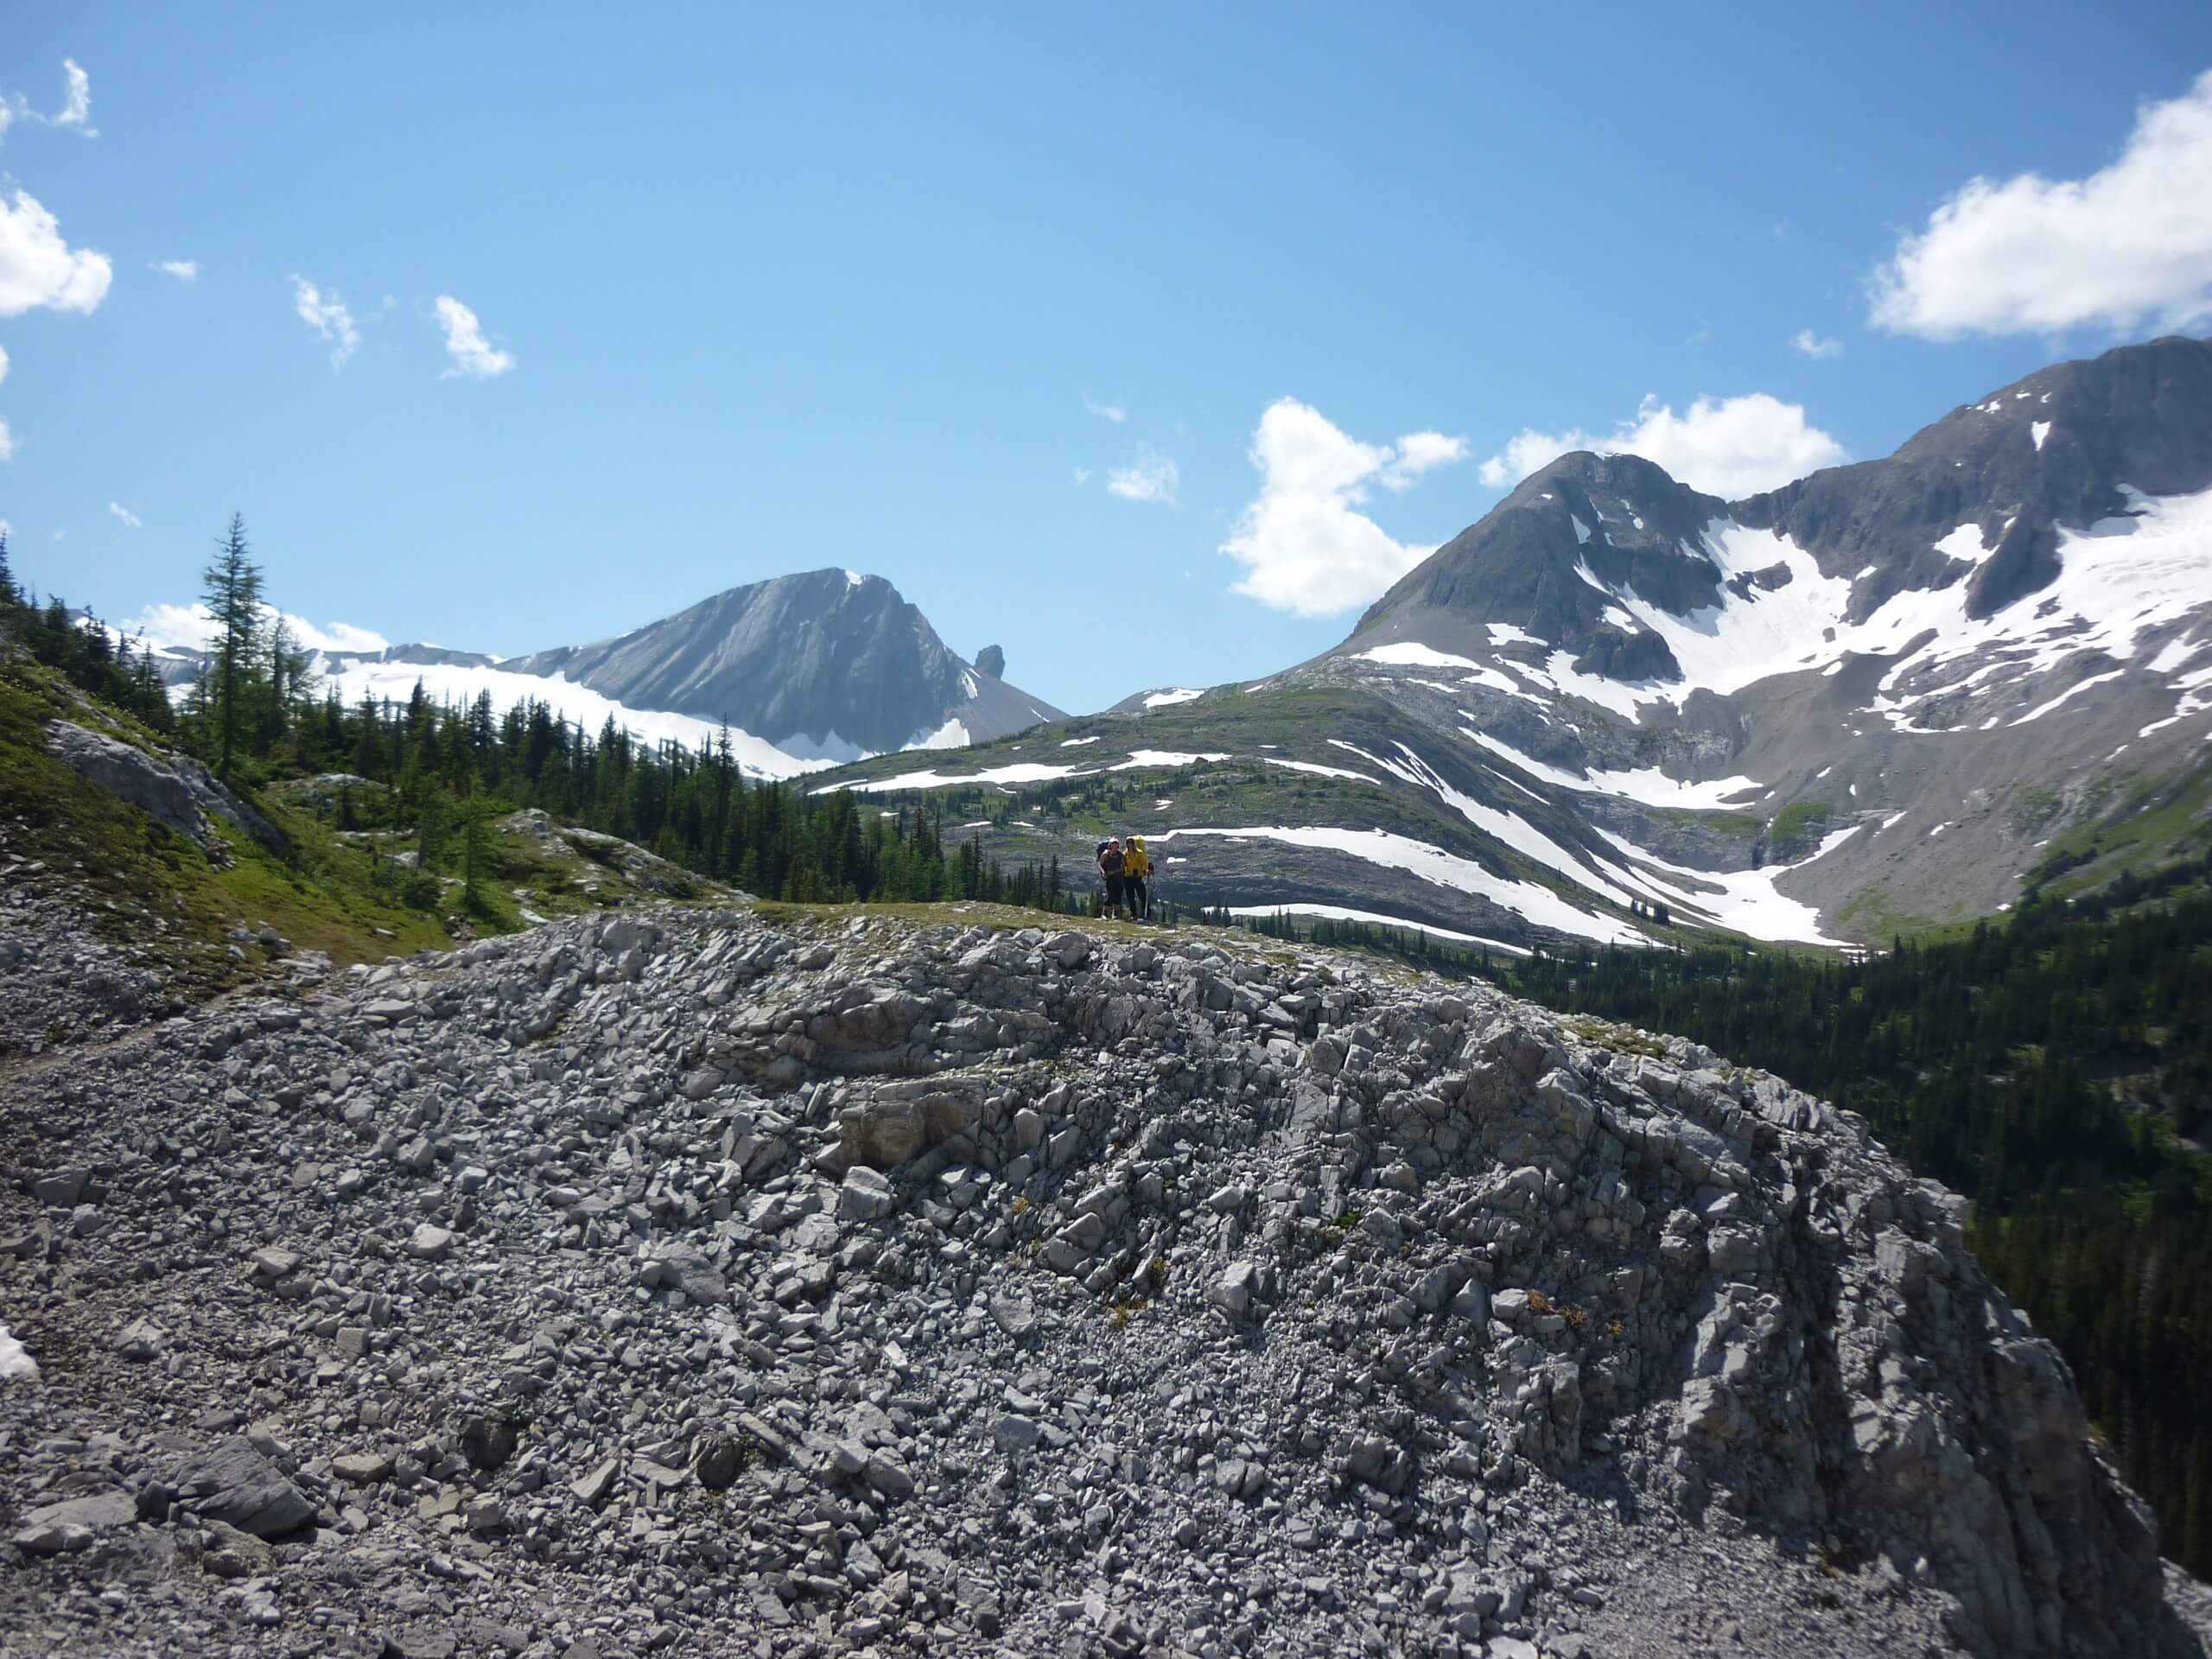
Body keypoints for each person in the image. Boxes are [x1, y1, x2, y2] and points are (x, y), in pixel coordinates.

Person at [1122, 834, 1151, 922]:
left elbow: (1144, 863)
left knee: (1142, 895)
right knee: (1130, 896)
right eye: (1128, 843)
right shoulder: (1125, 854)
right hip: (1128, 877)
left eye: (1131, 842)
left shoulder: (1139, 853)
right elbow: (1123, 865)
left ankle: (1145, 914)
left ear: (1134, 843)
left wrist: (1143, 871)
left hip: (1137, 876)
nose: (1130, 844)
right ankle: (1133, 914)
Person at [1097, 836, 1126, 918]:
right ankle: (1105, 913)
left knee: (1118, 895)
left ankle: (1115, 913)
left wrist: (1116, 871)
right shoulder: (1105, 855)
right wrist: (1103, 872)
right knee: (1111, 894)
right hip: (1110, 877)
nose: (1115, 847)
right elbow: (1100, 864)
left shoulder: (1120, 855)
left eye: (1116, 845)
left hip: (1119, 877)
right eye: (1113, 845)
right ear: (1110, 846)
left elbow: (1123, 866)